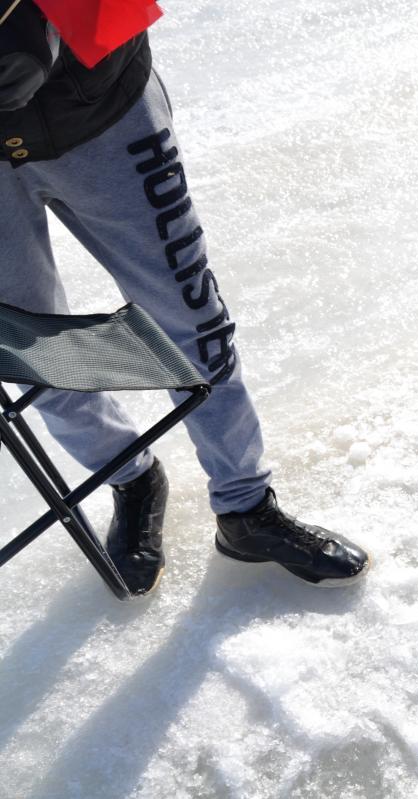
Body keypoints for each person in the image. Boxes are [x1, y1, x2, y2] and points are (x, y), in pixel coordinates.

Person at [0, 3, 369, 594]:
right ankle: (129, 475)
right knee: (28, 350)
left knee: (190, 317)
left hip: (101, 107)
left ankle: (246, 507)